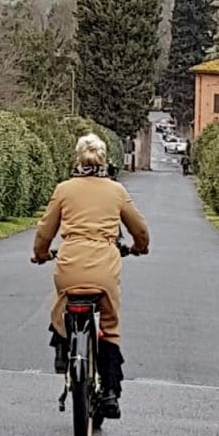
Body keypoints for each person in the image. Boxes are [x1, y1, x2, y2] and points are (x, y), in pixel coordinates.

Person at [32, 133, 150, 418]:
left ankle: (63, 352)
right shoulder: (116, 191)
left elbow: (45, 231)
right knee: (109, 324)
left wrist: (41, 253)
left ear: (77, 159)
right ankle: (109, 391)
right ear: (104, 160)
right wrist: (138, 248)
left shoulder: (64, 189)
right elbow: (140, 229)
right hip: (105, 268)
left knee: (60, 304)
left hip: (70, 263)